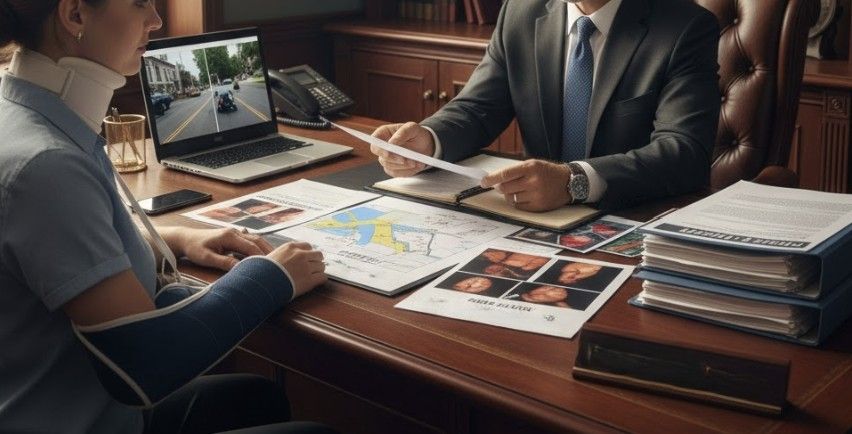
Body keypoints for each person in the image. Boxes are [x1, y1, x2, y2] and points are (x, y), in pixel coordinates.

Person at [0, 1, 335, 433]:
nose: (156, 20)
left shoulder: (23, 112)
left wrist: (175, 237)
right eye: (140, 3)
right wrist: (272, 276)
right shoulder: (46, 164)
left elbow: (57, 239)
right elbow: (145, 364)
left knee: (256, 395)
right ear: (75, 15)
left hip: (80, 402)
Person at [370, 0, 720, 212]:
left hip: (629, 217)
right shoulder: (521, 11)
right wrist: (429, 141)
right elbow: (478, 108)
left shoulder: (685, 27)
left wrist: (573, 182)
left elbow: (684, 152)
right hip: (530, 214)